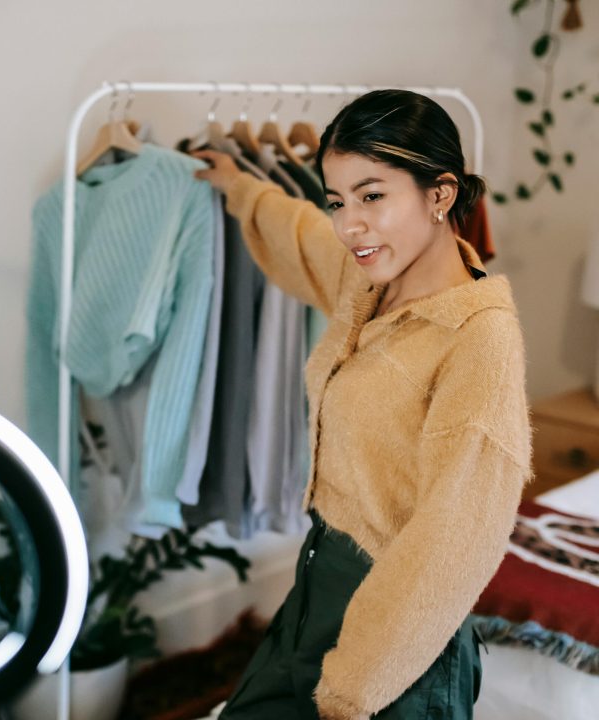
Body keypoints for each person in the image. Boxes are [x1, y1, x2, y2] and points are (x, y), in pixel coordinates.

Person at [192, 89, 533, 720]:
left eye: (373, 196)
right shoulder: (370, 281)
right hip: (316, 587)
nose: (350, 223)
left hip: (399, 635)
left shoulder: (479, 339)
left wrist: (351, 690)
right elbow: (297, 235)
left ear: (440, 194)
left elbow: (452, 544)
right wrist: (239, 186)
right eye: (338, 200)